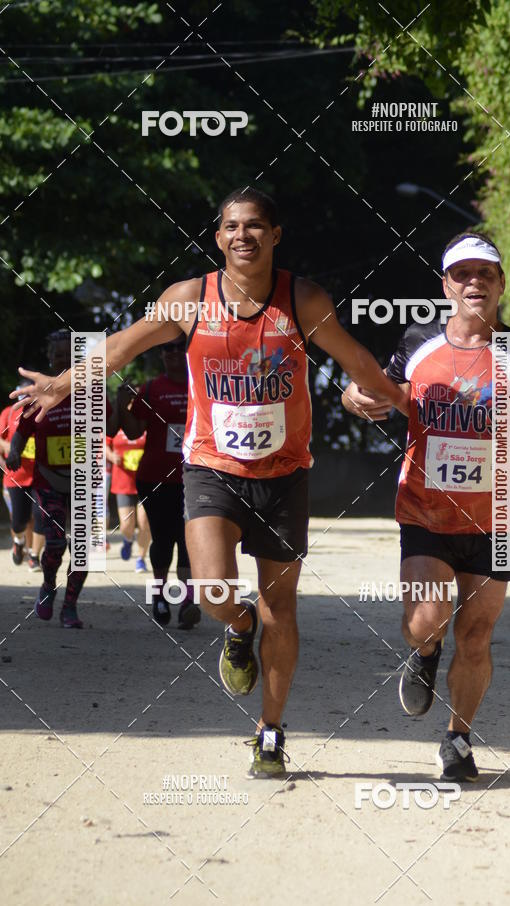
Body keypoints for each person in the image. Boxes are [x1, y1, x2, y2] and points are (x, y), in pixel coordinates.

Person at [13, 187, 407, 777]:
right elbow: (123, 345)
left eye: (254, 225)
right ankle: (239, 627)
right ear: (218, 236)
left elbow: (354, 359)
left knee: (283, 607)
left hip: (284, 474)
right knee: (213, 593)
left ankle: (270, 731)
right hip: (210, 467)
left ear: (275, 234)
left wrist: (397, 401)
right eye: (230, 226)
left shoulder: (302, 299)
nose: (241, 235)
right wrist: (68, 380)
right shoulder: (189, 298)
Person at [342, 231, 510, 782]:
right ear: (446, 285)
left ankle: (457, 739)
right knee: (424, 621)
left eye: (486, 274)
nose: (474, 282)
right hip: (425, 512)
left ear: (500, 285)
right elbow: (374, 390)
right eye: (463, 274)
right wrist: (355, 399)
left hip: (498, 516)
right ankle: (424, 652)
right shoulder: (420, 341)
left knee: (477, 634)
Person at [6, 331, 89, 627]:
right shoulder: (40, 393)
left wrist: (119, 404)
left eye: (69, 356)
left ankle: (70, 608)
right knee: (54, 543)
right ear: (50, 359)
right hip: (48, 481)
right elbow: (21, 432)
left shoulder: (90, 392)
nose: (63, 361)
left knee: (83, 550)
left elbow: (111, 425)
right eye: (58, 356)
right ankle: (48, 585)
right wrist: (14, 452)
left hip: (84, 481)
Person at [117, 338, 199, 629]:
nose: (175, 353)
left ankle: (189, 601)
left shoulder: (202, 384)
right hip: (155, 478)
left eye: (180, 347)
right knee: (163, 539)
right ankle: (160, 595)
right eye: (168, 349)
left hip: (197, 476)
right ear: (162, 355)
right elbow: (132, 429)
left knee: (190, 540)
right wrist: (121, 402)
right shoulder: (152, 388)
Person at [0, 380, 44, 570]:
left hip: (41, 475)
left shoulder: (44, 410)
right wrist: (10, 448)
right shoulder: (9, 413)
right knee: (19, 521)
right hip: (16, 476)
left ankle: (34, 555)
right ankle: (18, 542)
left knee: (41, 516)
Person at [107, 423, 151, 571]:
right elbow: (103, 444)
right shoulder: (115, 423)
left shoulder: (146, 424)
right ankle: (128, 539)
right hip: (123, 481)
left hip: (146, 480)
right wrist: (111, 455)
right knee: (126, 524)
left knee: (144, 522)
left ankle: (141, 558)